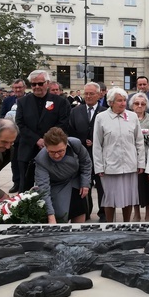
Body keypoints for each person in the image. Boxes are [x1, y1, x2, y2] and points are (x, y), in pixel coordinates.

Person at [93, 87, 145, 223]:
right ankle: (110, 224)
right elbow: (97, 145)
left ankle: (126, 224)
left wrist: (141, 163)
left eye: (124, 100)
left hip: (130, 164)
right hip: (110, 165)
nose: (123, 103)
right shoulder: (101, 118)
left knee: (129, 197)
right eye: (119, 101)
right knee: (110, 198)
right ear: (110, 102)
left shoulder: (132, 116)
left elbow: (139, 142)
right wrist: (99, 167)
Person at [15, 70, 71, 192]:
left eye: (40, 84)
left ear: (47, 83)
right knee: (26, 188)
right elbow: (20, 124)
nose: (36, 87)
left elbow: (63, 123)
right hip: (28, 149)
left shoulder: (60, 102)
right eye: (33, 84)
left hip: (53, 150)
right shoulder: (23, 102)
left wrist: (47, 140)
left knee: (52, 186)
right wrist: (36, 140)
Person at [67, 82, 107, 220]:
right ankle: (86, 211)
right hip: (82, 154)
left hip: (101, 155)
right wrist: (83, 141)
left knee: (102, 185)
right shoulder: (75, 111)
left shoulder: (105, 112)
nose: (88, 96)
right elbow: (70, 131)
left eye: (92, 93)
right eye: (86, 93)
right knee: (84, 184)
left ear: (99, 94)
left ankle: (103, 212)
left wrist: (96, 141)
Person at [34, 127, 91, 224]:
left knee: (79, 210)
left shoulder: (75, 144)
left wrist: (85, 182)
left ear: (66, 144)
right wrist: (50, 215)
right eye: (52, 152)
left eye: (60, 151)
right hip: (56, 186)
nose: (56, 155)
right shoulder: (41, 159)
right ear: (46, 147)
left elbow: (86, 162)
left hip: (75, 181)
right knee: (59, 214)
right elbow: (43, 189)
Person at [128, 91, 149, 222]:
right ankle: (136, 213)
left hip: (147, 158)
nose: (139, 106)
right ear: (132, 105)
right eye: (136, 103)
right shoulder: (127, 118)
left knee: (148, 188)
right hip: (131, 159)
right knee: (135, 188)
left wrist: (139, 136)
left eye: (142, 104)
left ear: (146, 105)